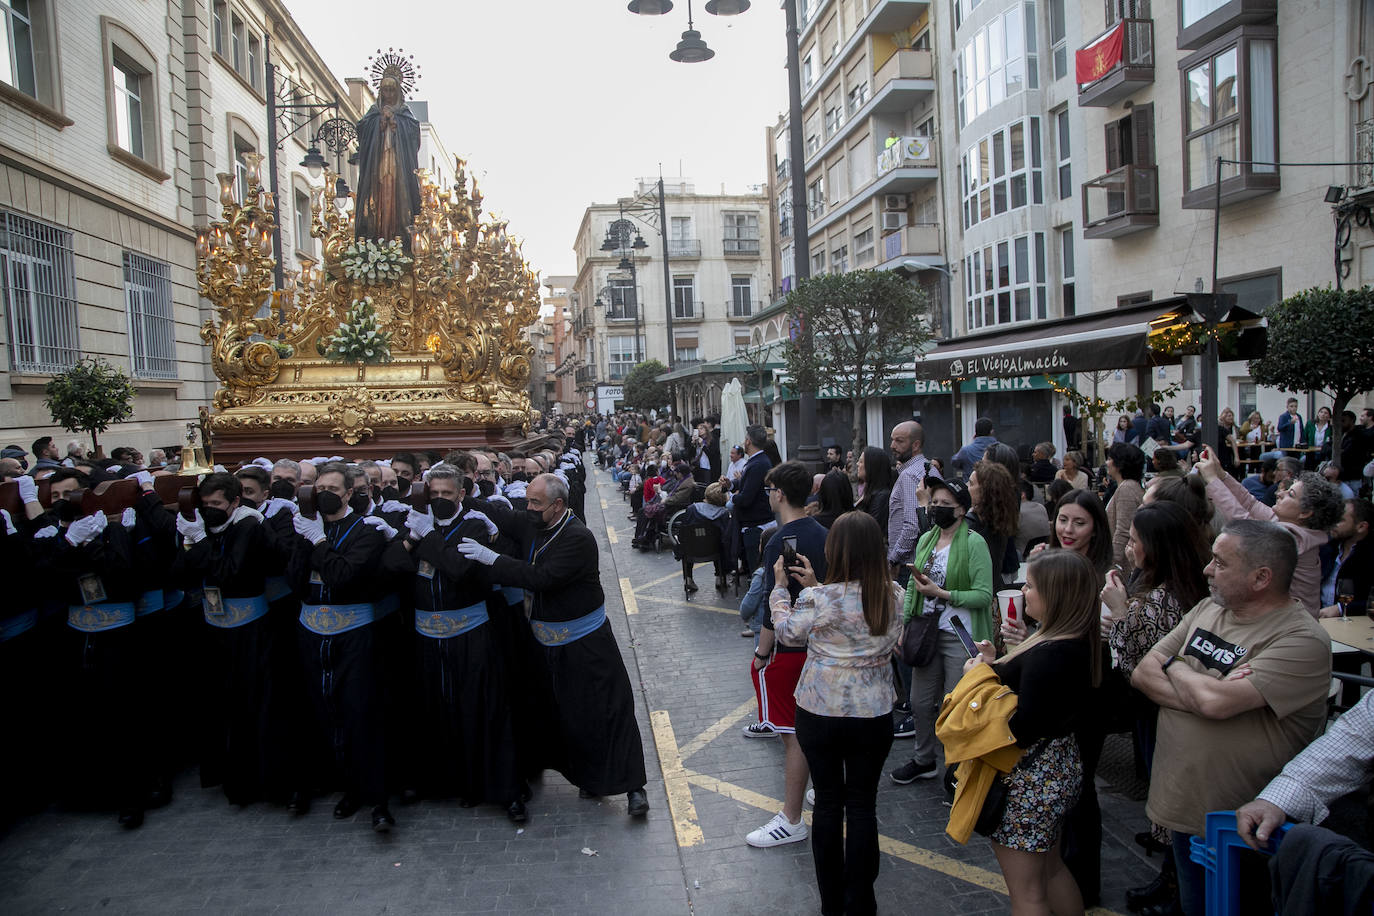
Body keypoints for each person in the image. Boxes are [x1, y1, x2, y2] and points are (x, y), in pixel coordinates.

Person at [1131, 519, 1332, 916]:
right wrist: (1200, 687)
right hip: (1184, 808)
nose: (1207, 570)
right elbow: (1142, 672)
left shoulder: (1301, 640)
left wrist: (1176, 666)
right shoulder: (1209, 607)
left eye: (1220, 563)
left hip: (1246, 829)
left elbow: (1215, 703)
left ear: (1261, 577)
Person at [458, 473, 650, 817]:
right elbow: (504, 515)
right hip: (544, 645)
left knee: (607, 712)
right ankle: (587, 777)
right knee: (566, 717)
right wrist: (462, 496)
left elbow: (542, 578)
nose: (528, 509)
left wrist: (492, 560)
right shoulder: (536, 522)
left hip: (585, 644)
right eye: (528, 501)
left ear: (557, 505)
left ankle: (632, 785)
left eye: (535, 503)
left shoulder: (578, 538)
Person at [770, 511, 904, 915]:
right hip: (874, 711)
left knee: (828, 803)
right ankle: (861, 901)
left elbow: (788, 632)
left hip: (820, 710)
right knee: (863, 805)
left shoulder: (818, 598)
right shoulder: (894, 595)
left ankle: (832, 903)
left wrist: (780, 591)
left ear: (836, 551)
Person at [966, 549, 1102, 916]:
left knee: (1027, 892)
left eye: (1030, 585)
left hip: (1030, 779)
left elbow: (1020, 728)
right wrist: (997, 664)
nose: (1024, 592)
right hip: (1059, 769)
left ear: (1054, 595)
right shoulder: (1075, 641)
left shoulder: (1050, 653)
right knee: (1053, 869)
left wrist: (977, 680)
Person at [393, 465, 526, 822]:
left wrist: (426, 540)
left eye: (446, 495)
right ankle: (446, 782)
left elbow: (457, 568)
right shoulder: (417, 524)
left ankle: (500, 788)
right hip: (426, 636)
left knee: (482, 710)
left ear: (461, 494)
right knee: (434, 709)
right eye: (433, 495)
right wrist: (410, 539)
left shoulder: (475, 524)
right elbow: (392, 565)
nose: (438, 501)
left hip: (470, 632)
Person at [1099, 502, 1211, 913]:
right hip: (1158, 707)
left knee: (1170, 793)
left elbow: (1134, 659)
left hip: (1160, 706)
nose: (1128, 548)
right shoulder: (1181, 585)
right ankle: (1171, 875)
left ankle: (1177, 886)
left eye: (1133, 541)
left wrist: (1120, 610)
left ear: (1155, 547)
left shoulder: (1165, 598)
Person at [288, 462, 394, 832]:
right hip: (312, 631)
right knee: (317, 710)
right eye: (320, 487)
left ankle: (375, 796)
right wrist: (305, 541)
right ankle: (333, 783)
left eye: (333, 488)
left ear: (349, 493)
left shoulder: (366, 531)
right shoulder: (305, 527)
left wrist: (319, 542)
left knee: (360, 712)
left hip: (354, 634)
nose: (325, 494)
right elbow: (295, 580)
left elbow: (344, 576)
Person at [172, 472, 280, 807]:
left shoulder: (249, 526)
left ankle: (258, 781)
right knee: (221, 704)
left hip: (249, 628)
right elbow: (182, 572)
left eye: (217, 504)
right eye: (205, 505)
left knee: (252, 703)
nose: (209, 510)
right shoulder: (203, 527)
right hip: (214, 625)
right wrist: (190, 541)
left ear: (234, 502)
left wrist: (201, 543)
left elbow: (231, 570)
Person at [744, 460, 828, 846]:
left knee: (792, 733)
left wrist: (763, 654)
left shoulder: (778, 541)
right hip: (825, 646)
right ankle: (820, 792)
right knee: (817, 728)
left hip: (790, 647)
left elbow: (769, 601)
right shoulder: (826, 533)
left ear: (779, 493)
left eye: (769, 490)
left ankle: (791, 819)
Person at [890, 478, 993, 787]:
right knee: (920, 702)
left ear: (961, 510)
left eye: (944, 505)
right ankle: (924, 760)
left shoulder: (974, 543)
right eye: (933, 503)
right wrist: (904, 625)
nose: (936, 509)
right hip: (925, 632)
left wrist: (944, 593)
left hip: (959, 635)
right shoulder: (926, 540)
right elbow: (913, 586)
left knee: (955, 705)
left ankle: (957, 769)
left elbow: (984, 595)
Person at [1198, 446, 1343, 615]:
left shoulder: (1296, 539)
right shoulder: (1289, 525)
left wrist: (1212, 479)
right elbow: (1250, 503)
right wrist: (1221, 474)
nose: (1280, 493)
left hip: (1290, 630)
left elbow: (1244, 525)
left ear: (1305, 513)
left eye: (1290, 494)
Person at [353, 63, 421, 244]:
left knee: (399, 196)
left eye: (392, 91)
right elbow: (361, 129)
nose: (389, 95)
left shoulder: (405, 114)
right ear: (380, 92)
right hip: (377, 165)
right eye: (385, 91)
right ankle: (377, 235)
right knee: (378, 197)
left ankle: (400, 235)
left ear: (398, 92)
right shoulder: (374, 113)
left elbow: (414, 134)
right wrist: (379, 123)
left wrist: (395, 122)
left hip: (400, 166)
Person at [887, 420, 937, 578]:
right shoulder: (928, 468)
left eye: (899, 441)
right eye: (892, 439)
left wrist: (893, 559)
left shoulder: (909, 475)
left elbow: (911, 525)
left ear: (915, 445)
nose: (892, 445)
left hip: (909, 564)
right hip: (924, 560)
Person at [967, 460, 1019, 595]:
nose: (967, 486)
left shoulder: (972, 526)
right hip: (994, 593)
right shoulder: (1000, 520)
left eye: (971, 483)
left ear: (985, 492)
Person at [1318, 497, 1374, 618]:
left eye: (1340, 520)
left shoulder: (1369, 556)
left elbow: (1370, 602)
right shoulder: (1327, 548)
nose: (1333, 523)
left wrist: (1340, 609)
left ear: (1361, 527)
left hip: (1352, 628)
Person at [1105, 443, 1146, 574]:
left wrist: (1113, 563)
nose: (1107, 462)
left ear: (1119, 464)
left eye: (1110, 458)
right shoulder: (1128, 486)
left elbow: (1123, 530)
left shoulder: (1126, 489)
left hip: (1124, 566)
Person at [854, 445, 894, 535]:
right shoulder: (869, 492)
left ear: (871, 466)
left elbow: (872, 528)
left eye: (861, 462)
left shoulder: (882, 497)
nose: (857, 464)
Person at [1015, 480, 1052, 559]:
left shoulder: (1018, 512)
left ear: (1022, 495)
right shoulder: (1041, 507)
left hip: (1023, 554)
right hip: (1044, 550)